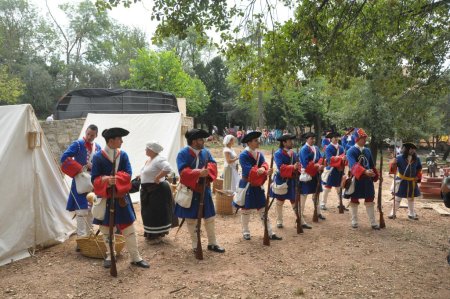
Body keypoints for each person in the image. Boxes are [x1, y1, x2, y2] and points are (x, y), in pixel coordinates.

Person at [91, 127, 149, 269]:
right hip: (105, 200)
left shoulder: (123, 155)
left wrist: (115, 179)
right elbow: (94, 180)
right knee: (106, 230)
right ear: (111, 140)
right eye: (119, 139)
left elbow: (128, 174)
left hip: (121, 198)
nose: (122, 141)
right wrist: (105, 180)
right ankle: (111, 255)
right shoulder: (98, 157)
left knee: (129, 229)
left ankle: (136, 257)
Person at [174, 129, 225, 253]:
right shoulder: (182, 153)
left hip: (204, 190)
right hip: (191, 191)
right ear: (193, 141)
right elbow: (183, 172)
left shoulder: (206, 152)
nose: (203, 141)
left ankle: (212, 243)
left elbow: (213, 164)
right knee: (191, 220)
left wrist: (206, 172)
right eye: (201, 139)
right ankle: (195, 245)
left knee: (210, 217)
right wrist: (198, 173)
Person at [233, 131, 282, 241]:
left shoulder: (259, 154)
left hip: (257, 185)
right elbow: (248, 170)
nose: (258, 142)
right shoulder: (243, 155)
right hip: (247, 185)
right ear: (249, 143)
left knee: (263, 209)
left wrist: (265, 169)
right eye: (256, 140)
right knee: (245, 210)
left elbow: (264, 164)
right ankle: (245, 231)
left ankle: (269, 232)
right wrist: (261, 171)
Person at [60, 124, 101, 249]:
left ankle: (89, 236)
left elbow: (99, 164)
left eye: (92, 135)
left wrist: (94, 168)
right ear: (86, 132)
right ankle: (81, 241)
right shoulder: (77, 144)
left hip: (92, 182)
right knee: (81, 211)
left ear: (96, 135)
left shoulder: (98, 147)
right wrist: (80, 168)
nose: (89, 137)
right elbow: (64, 157)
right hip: (80, 181)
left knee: (91, 211)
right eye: (88, 134)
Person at [345, 128, 380, 230]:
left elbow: (371, 165)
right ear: (357, 139)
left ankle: (373, 222)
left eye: (365, 137)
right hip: (356, 179)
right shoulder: (351, 151)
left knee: (370, 199)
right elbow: (352, 165)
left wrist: (376, 174)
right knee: (354, 200)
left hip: (367, 180)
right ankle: (354, 220)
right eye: (362, 138)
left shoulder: (367, 150)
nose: (365, 140)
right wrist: (364, 171)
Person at [140, 141, 174, 243]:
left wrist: (158, 177)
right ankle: (151, 234)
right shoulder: (150, 160)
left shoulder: (159, 159)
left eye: (147, 148)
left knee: (154, 212)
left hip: (157, 191)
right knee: (148, 212)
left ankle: (156, 236)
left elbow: (168, 168)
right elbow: (147, 172)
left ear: (152, 150)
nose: (145, 150)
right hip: (148, 191)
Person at [270, 134, 300, 228]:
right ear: (284, 143)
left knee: (294, 200)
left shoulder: (293, 153)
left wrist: (297, 168)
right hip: (282, 180)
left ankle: (299, 219)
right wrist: (292, 167)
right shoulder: (278, 153)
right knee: (280, 201)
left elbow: (299, 165)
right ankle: (279, 220)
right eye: (289, 141)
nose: (292, 142)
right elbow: (280, 167)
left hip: (292, 180)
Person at [299, 132, 326, 229]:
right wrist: (318, 166)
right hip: (307, 174)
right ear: (307, 139)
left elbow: (320, 159)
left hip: (315, 174)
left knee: (316, 194)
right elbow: (306, 164)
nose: (313, 140)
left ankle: (318, 212)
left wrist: (320, 165)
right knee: (303, 196)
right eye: (311, 138)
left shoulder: (316, 148)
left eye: (313, 138)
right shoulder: (304, 149)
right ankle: (300, 215)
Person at [389, 142, 422, 220]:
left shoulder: (417, 159)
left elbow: (419, 169)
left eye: (413, 149)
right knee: (397, 198)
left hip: (411, 181)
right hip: (401, 181)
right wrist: (393, 163)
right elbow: (393, 170)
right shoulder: (399, 158)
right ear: (406, 149)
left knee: (411, 198)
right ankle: (392, 213)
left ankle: (411, 214)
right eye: (411, 149)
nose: (413, 151)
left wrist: (418, 176)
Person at [320, 132, 346, 210]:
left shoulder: (341, 148)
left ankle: (340, 203)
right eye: (334, 137)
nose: (336, 138)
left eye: (337, 137)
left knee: (339, 187)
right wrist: (341, 158)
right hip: (331, 170)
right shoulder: (328, 148)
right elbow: (329, 159)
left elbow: (343, 157)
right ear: (331, 138)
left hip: (339, 169)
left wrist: (343, 158)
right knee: (327, 187)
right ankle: (322, 204)